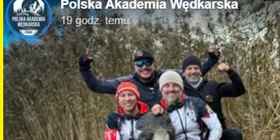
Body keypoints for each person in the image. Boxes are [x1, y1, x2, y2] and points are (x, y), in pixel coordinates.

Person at [79, 48, 216, 107]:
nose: (144, 67)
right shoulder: (127, 83)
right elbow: (96, 86)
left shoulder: (166, 76)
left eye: (148, 63)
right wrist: (84, 67)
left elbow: (192, 73)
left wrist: (212, 58)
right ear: (134, 67)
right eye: (139, 63)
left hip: (171, 127)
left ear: (154, 65)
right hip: (145, 132)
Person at [181, 50, 246, 140]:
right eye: (189, 69)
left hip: (217, 134)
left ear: (201, 70)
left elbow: (239, 90)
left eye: (196, 68)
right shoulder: (179, 91)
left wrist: (230, 72)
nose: (193, 72)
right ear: (184, 72)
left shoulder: (212, 86)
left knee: (235, 134)